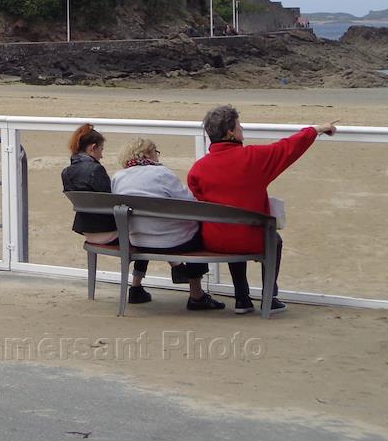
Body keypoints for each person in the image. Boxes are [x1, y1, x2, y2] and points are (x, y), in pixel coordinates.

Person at [188, 106, 337, 315]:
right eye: (239, 125)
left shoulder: (198, 168)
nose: (242, 128)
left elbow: (200, 198)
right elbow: (288, 147)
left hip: (215, 240)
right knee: (271, 239)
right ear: (230, 132)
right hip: (250, 239)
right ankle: (270, 297)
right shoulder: (254, 157)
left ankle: (242, 298)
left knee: (230, 226)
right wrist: (317, 129)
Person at [111, 139, 224, 310]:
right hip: (172, 242)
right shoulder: (162, 173)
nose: (158, 156)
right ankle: (196, 295)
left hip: (137, 240)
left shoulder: (118, 177)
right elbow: (189, 203)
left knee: (145, 224)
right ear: (147, 154)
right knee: (199, 229)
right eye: (155, 152)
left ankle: (136, 287)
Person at [60, 124, 150, 301]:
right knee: (145, 234)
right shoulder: (96, 170)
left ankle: (169, 270)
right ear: (93, 148)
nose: (102, 155)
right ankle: (136, 287)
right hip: (107, 233)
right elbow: (111, 202)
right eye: (101, 149)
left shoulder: (66, 172)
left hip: (88, 231)